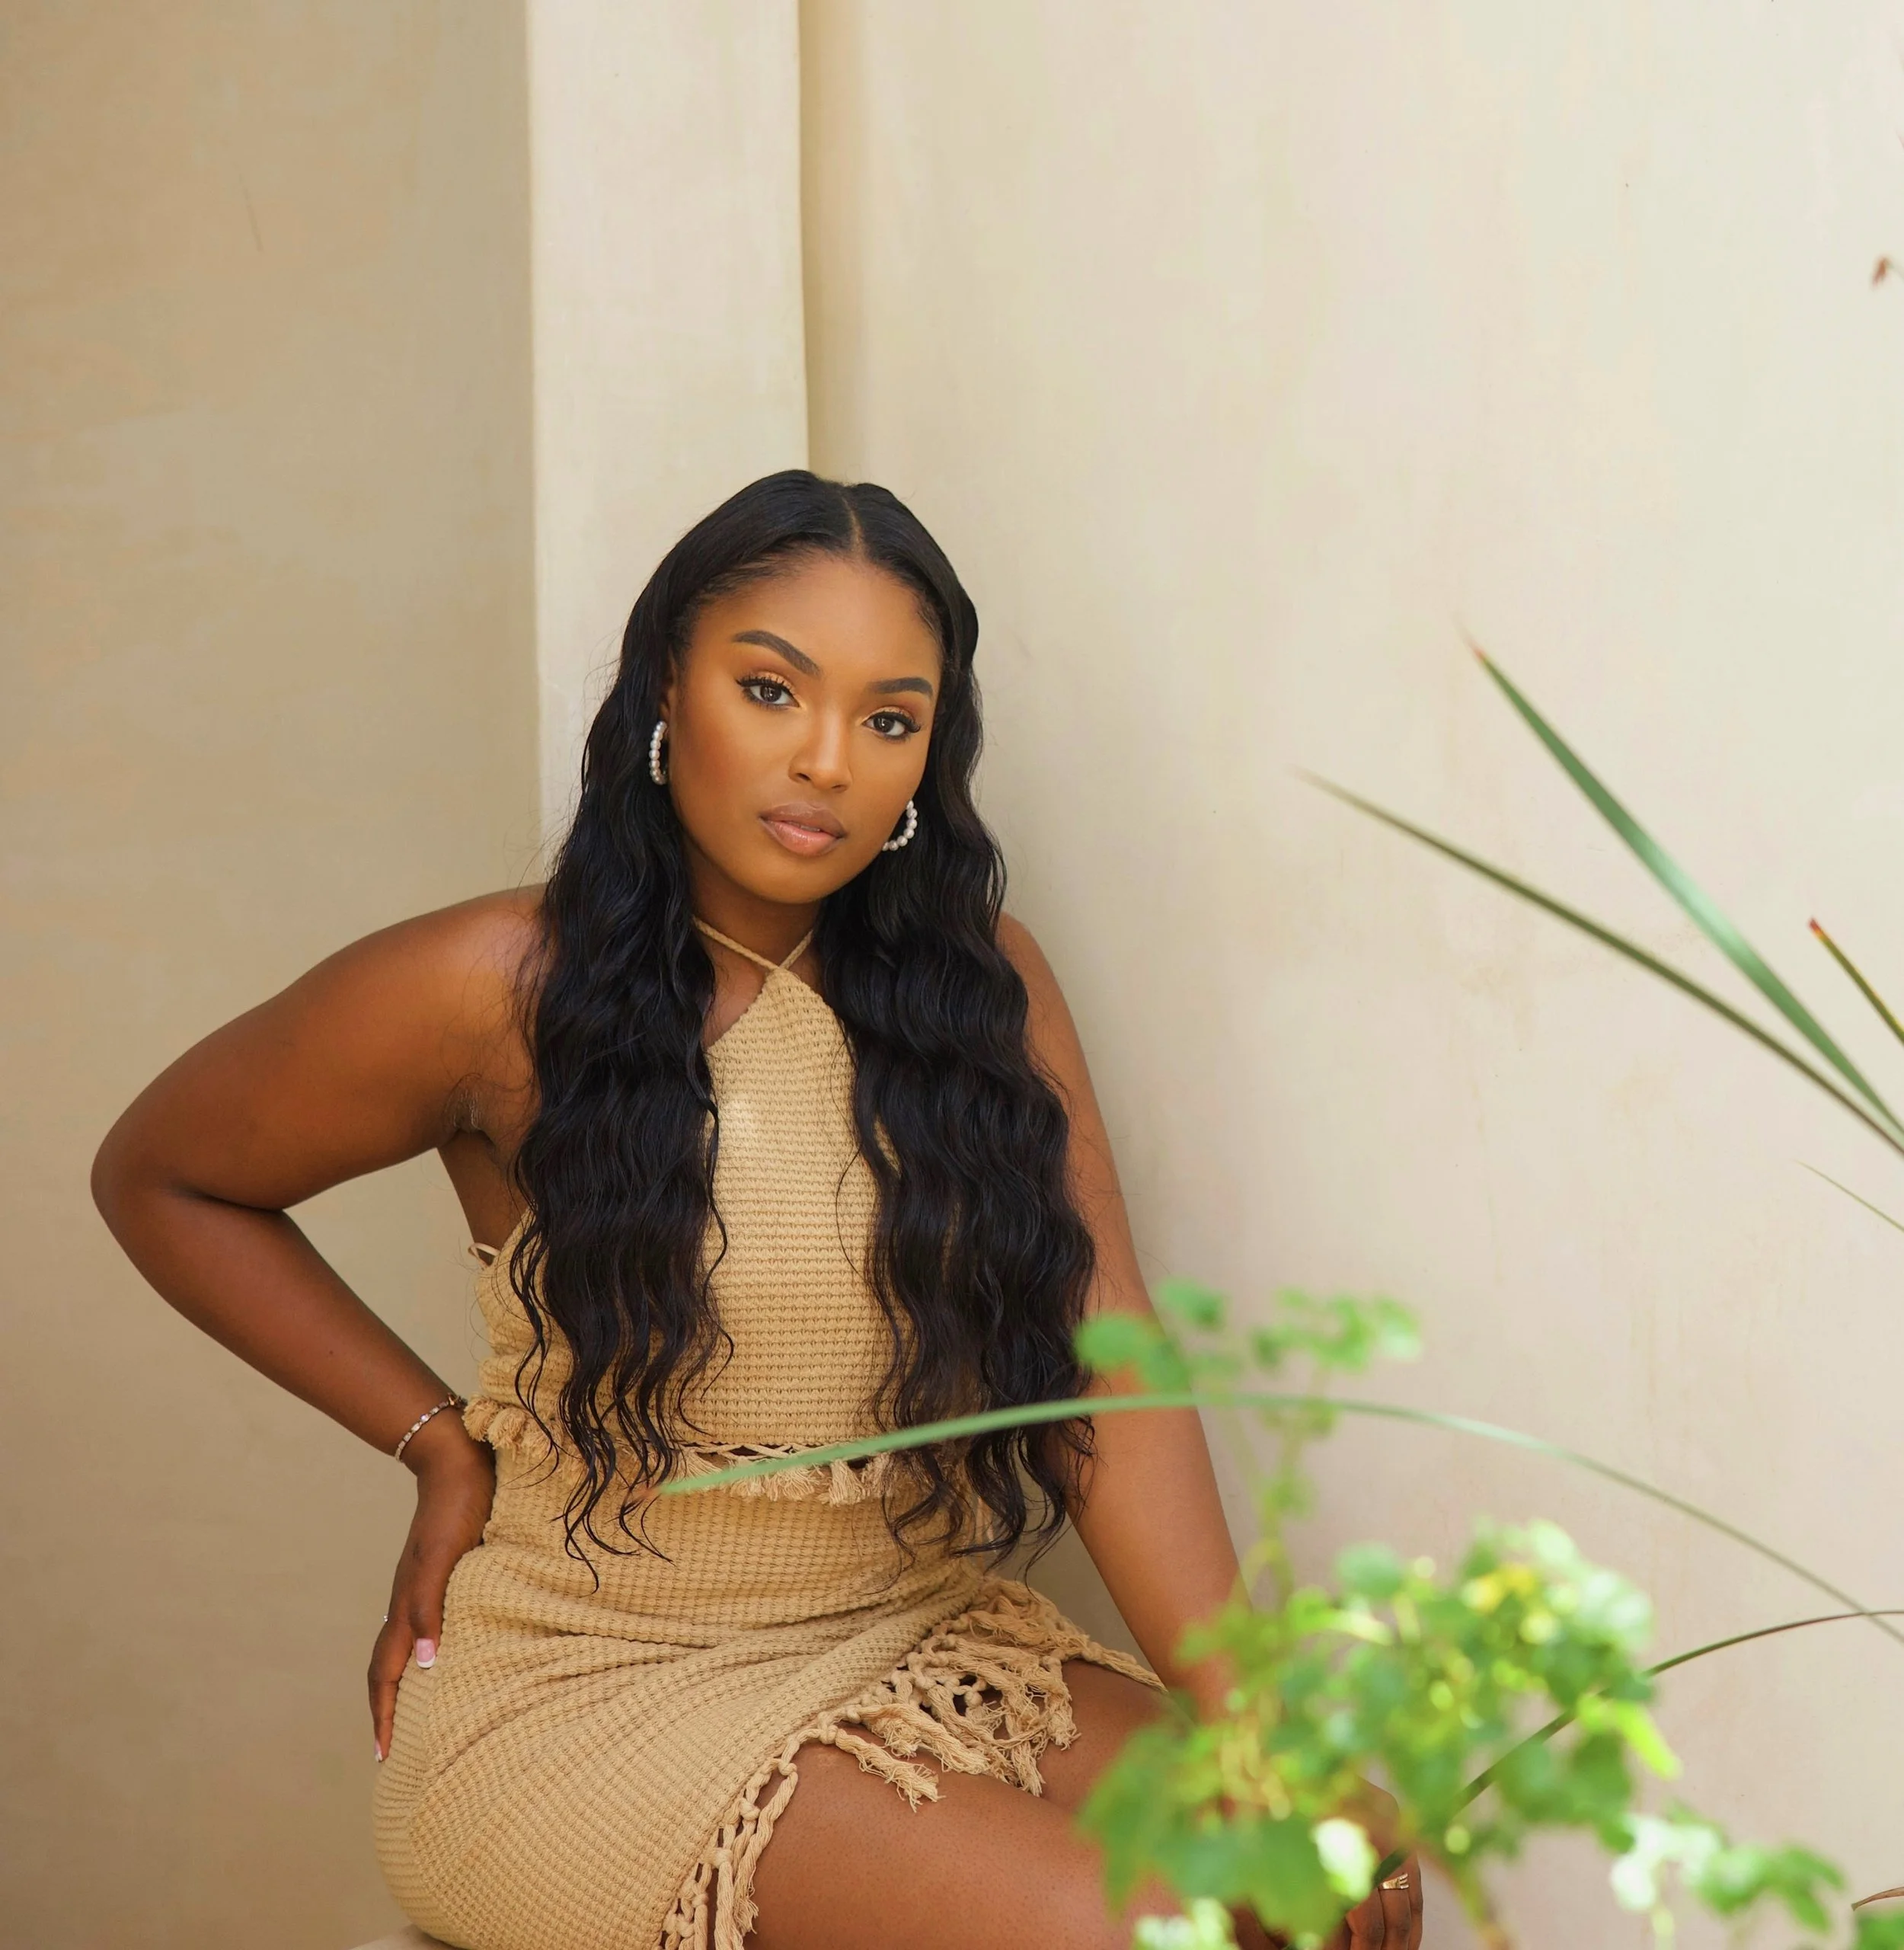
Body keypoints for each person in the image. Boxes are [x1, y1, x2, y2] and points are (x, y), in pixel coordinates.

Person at [92, 472, 1422, 1950]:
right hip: (596, 1689)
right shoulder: (493, 987)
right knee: (1144, 1928)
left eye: (888, 717)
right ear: (668, 683)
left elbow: (1103, 1353)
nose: (824, 761)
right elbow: (165, 1173)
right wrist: (432, 1441)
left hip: (913, 1632)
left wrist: (1258, 1728)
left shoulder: (982, 984)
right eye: (770, 688)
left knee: (1329, 1889)